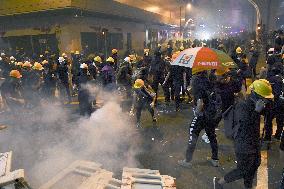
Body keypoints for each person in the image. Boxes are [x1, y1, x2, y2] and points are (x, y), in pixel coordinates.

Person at [213, 79, 274, 189]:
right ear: (255, 94)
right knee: (243, 169)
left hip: (254, 142)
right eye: (263, 97)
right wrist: (256, 111)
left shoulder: (258, 103)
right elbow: (245, 126)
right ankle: (219, 182)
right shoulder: (242, 106)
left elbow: (270, 112)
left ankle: (248, 186)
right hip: (243, 144)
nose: (265, 100)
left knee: (255, 165)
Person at [178, 70, 220, 168]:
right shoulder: (208, 80)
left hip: (202, 115)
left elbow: (200, 102)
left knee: (193, 135)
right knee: (212, 136)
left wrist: (196, 112)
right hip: (210, 114)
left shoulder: (196, 81)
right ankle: (215, 159)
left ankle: (187, 161)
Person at [264, 63, 284, 141]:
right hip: (282, 103)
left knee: (268, 120)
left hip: (272, 103)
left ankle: (268, 137)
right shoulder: (282, 79)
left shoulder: (271, 79)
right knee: (280, 121)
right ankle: (278, 135)